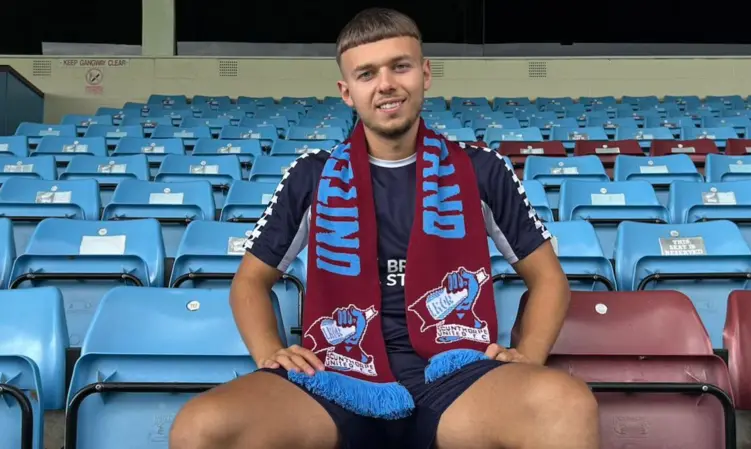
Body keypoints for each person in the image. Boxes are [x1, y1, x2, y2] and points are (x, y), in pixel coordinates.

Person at [169, 7, 599, 449]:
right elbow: (249, 282)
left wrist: (527, 356)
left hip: (458, 376)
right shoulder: (311, 176)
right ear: (347, 91)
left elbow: (548, 278)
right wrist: (269, 352)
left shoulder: (481, 169)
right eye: (367, 73)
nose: (386, 84)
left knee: (566, 402)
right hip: (335, 375)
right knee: (201, 425)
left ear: (425, 74)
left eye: (400, 66)